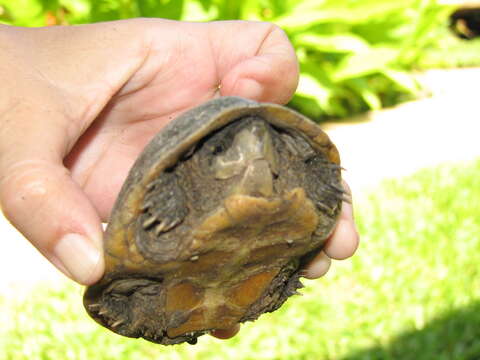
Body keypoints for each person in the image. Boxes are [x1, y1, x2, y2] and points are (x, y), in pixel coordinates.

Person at [0, 18, 359, 339]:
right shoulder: (182, 183)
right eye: (225, 147)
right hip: (163, 289)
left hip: (243, 271)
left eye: (268, 145)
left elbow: (319, 166)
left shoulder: (292, 155)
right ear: (202, 163)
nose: (253, 148)